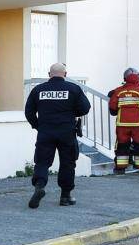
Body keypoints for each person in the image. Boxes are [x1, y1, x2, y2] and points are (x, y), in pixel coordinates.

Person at [23, 63, 91, 208]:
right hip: (67, 132)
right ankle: (65, 197)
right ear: (65, 74)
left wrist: (38, 125)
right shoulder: (73, 89)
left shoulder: (38, 89)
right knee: (67, 163)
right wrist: (72, 112)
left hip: (45, 132)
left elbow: (29, 111)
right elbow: (85, 108)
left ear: (49, 74)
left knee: (42, 162)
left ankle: (39, 187)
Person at [108, 67, 139, 175]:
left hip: (122, 124)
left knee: (122, 145)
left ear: (125, 78)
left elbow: (112, 109)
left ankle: (119, 168)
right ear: (138, 77)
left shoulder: (118, 91)